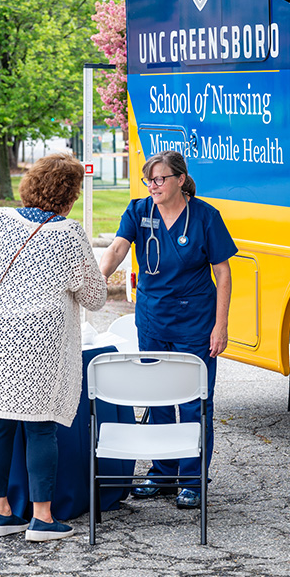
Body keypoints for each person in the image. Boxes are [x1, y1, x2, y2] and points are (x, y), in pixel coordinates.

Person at [0, 153, 106, 541]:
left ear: (30, 183)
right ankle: (42, 518)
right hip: (42, 340)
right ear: (70, 194)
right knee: (41, 429)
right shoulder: (69, 233)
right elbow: (94, 297)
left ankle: (0, 513)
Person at [100, 150, 237, 509]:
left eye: (160, 179)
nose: (153, 186)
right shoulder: (139, 211)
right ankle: (162, 472)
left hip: (195, 321)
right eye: (149, 180)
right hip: (152, 318)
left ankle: (192, 479)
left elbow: (223, 273)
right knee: (158, 397)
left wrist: (220, 325)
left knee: (193, 401)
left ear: (179, 179)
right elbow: (117, 249)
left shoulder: (205, 216)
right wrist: (97, 277)